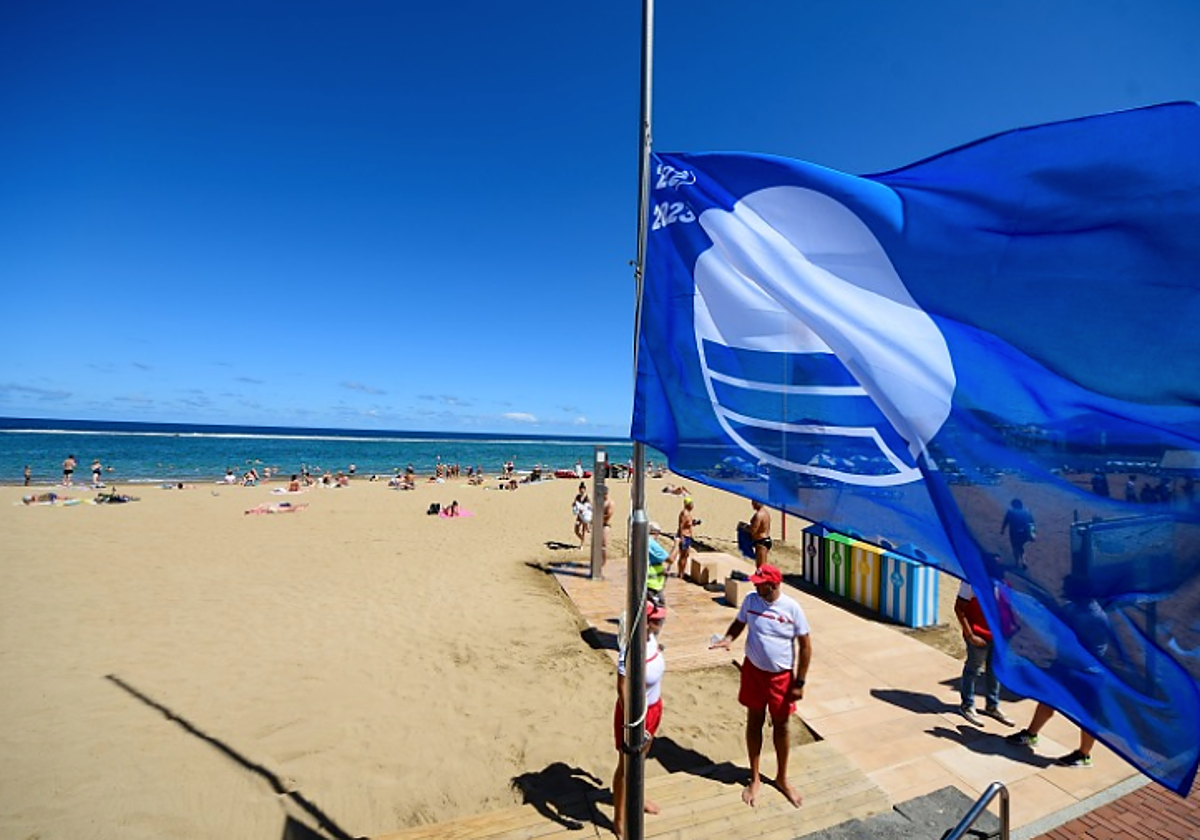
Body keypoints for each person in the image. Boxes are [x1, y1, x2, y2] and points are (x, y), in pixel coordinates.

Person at [711, 564, 811, 809]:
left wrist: (799, 682)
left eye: (760, 583)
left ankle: (782, 778)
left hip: (781, 678)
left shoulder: (792, 608)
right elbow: (739, 623)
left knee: (782, 726)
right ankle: (754, 777)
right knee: (754, 721)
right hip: (753, 672)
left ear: (774, 585)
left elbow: (805, 647)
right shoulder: (751, 600)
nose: (755, 585)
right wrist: (728, 639)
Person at [612, 600, 667, 838]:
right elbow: (622, 688)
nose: (660, 621)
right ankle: (619, 818)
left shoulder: (651, 640)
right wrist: (633, 721)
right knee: (625, 767)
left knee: (641, 761)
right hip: (635, 715)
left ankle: (638, 797)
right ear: (644, 622)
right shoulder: (630, 649)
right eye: (655, 619)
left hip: (654, 708)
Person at [954, 580, 1015, 726]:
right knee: (973, 670)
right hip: (978, 635)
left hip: (998, 636)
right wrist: (970, 635)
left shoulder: (1004, 581)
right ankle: (967, 705)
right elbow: (959, 608)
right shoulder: (971, 580)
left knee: (995, 671)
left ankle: (992, 705)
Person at [1000, 498, 1035, 569]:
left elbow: (1005, 522)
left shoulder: (1010, 512)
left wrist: (1002, 530)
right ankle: (1024, 561)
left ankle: (1017, 562)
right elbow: (1031, 523)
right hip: (1024, 533)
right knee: (1020, 547)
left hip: (1014, 533)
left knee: (1015, 547)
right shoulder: (1027, 511)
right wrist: (1033, 534)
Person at [669, 497, 695, 577]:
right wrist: (682, 538)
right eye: (691, 504)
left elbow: (688, 525)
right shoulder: (684, 513)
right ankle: (681, 573)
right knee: (683, 556)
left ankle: (682, 572)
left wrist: (694, 523)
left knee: (686, 555)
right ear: (688, 504)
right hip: (684, 536)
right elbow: (681, 526)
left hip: (688, 536)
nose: (693, 505)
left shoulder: (688, 513)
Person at [646, 522, 670, 605]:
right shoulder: (652, 544)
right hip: (653, 585)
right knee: (658, 608)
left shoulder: (643, 541)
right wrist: (676, 545)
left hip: (652, 584)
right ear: (656, 532)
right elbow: (670, 559)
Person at [749, 500, 772, 571]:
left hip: (761, 542)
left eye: (753, 503)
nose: (752, 505)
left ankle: (762, 581)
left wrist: (744, 528)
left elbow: (754, 530)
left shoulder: (759, 515)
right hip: (765, 539)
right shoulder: (766, 512)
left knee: (760, 567)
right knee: (761, 566)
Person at [572, 482, 591, 547]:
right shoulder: (578, 496)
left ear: (585, 489)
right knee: (576, 530)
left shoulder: (587, 497)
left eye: (582, 489)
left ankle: (581, 544)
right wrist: (574, 505)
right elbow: (574, 504)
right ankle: (582, 539)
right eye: (580, 489)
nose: (581, 490)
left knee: (583, 530)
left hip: (585, 516)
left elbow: (589, 507)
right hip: (579, 515)